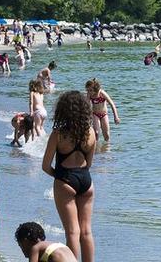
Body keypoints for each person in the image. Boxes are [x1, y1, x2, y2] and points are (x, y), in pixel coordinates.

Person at [41, 91, 96, 262]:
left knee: (72, 231)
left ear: (63, 111)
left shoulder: (58, 134)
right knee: (86, 231)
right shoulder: (91, 132)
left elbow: (45, 166)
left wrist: (59, 177)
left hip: (66, 179)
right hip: (86, 181)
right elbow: (89, 163)